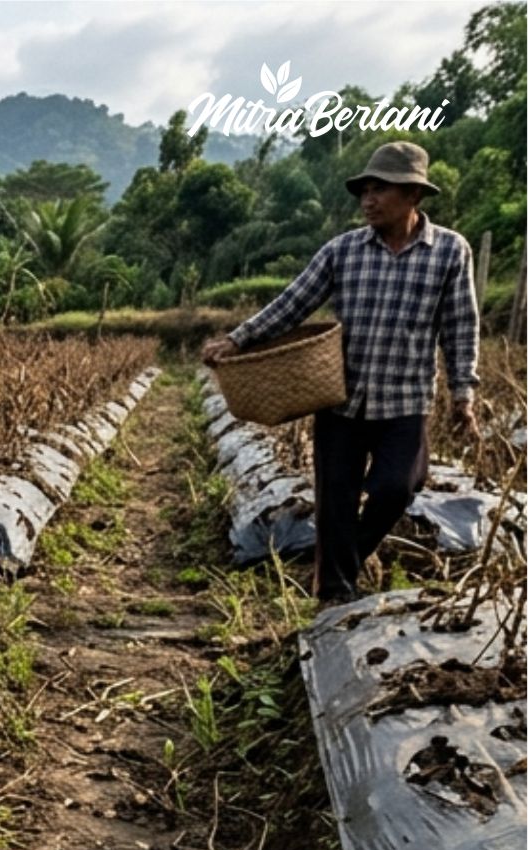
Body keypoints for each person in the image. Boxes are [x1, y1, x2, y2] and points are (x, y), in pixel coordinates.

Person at [201, 140, 481, 604]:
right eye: (364, 190)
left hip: (406, 399)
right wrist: (238, 339)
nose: (368, 200)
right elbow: (293, 303)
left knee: (398, 486)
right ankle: (334, 594)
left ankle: (342, 565)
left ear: (413, 196)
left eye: (380, 190)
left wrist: (463, 393)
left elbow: (460, 326)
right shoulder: (343, 251)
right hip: (341, 398)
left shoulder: (450, 252)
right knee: (336, 500)